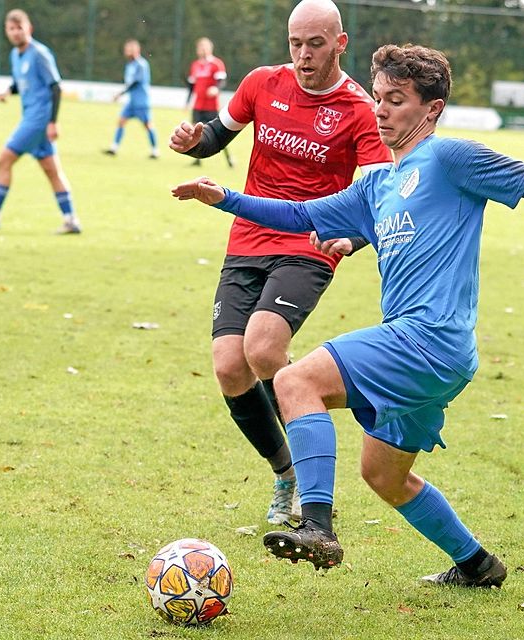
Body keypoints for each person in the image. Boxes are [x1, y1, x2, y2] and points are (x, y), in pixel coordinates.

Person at [172, 43, 524, 586]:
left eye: (397, 100)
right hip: (429, 351)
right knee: (383, 475)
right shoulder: (378, 186)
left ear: (430, 110)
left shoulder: (449, 158)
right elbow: (299, 213)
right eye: (378, 97)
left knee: (293, 380)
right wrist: (226, 198)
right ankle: (478, 566)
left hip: (429, 339)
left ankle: (315, 525)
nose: (380, 109)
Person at [169, 0, 391, 528]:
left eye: (315, 44)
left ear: (341, 42)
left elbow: (382, 195)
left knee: (264, 347)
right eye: (295, 43)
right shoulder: (263, 83)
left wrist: (350, 241)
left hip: (309, 242)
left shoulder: (359, 109)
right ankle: (287, 472)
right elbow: (215, 137)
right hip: (247, 236)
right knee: (228, 367)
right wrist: (192, 141)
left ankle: (313, 479)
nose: (303, 55)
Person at [0, 9, 80, 234]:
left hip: (37, 121)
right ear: (7, 32)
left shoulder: (39, 53)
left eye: (20, 28)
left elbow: (55, 87)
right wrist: (9, 90)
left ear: (29, 29)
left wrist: (52, 122)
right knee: (52, 171)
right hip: (31, 118)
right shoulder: (15, 55)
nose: (16, 32)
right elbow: (21, 82)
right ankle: (71, 220)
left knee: (3, 160)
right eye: (11, 28)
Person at [104, 39, 159, 159]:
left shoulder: (141, 64)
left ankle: (155, 150)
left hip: (141, 101)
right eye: (127, 49)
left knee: (148, 125)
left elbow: (135, 82)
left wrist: (120, 93)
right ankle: (114, 148)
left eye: (131, 49)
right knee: (121, 121)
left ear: (137, 50)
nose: (128, 52)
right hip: (132, 101)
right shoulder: (130, 65)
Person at [185, 38, 232, 168]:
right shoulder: (195, 65)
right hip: (198, 106)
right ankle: (197, 159)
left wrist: (216, 88)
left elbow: (222, 81)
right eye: (200, 47)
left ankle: (229, 158)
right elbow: (191, 86)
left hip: (211, 106)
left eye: (205, 47)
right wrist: (187, 102)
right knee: (195, 132)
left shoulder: (216, 64)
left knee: (218, 134)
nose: (203, 50)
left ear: (210, 48)